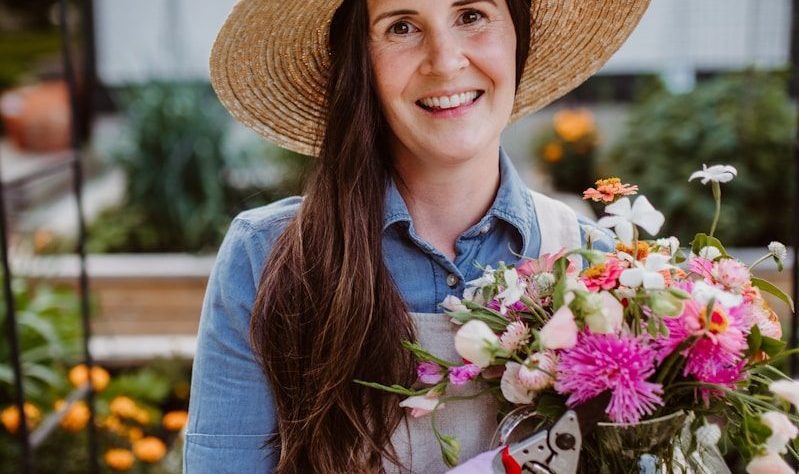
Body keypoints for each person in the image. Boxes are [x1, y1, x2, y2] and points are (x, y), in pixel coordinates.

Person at [184, 0, 650, 472]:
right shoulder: (267, 260)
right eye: (402, 27)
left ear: (519, 37)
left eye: (471, 15)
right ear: (359, 60)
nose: (446, 61)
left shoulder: (597, 269)